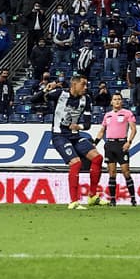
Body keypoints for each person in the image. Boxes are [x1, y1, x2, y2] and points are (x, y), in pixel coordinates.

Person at [48, 75, 105, 209]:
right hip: (59, 136)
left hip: (75, 135)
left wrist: (79, 127)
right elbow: (35, 99)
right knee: (76, 163)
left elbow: (87, 124)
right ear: (74, 85)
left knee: (97, 158)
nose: (85, 87)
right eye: (83, 85)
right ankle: (73, 202)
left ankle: (92, 196)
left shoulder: (86, 99)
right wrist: (46, 90)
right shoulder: (60, 94)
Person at [94, 92, 138, 206]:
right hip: (110, 145)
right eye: (115, 99)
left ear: (122, 101)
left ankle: (133, 199)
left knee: (126, 172)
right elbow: (102, 130)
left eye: (119, 99)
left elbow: (133, 129)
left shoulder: (127, 113)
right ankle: (113, 200)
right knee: (112, 173)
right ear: (111, 102)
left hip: (121, 144)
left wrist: (129, 142)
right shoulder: (107, 115)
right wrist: (95, 142)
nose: (117, 101)